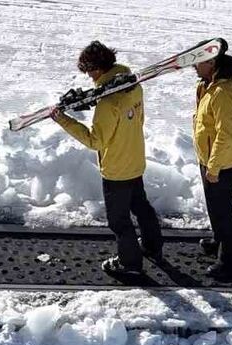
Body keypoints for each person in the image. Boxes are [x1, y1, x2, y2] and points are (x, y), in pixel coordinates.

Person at [52, 41, 163, 277]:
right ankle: (152, 247)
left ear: (97, 69)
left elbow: (96, 141)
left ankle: (130, 264)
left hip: (116, 169)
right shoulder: (132, 85)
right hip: (135, 157)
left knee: (118, 220)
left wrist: (65, 120)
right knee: (141, 206)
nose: (89, 77)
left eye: (89, 72)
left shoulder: (108, 102)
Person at [192, 44, 232, 281]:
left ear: (211, 63)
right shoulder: (211, 86)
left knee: (224, 213)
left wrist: (213, 167)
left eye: (198, 61)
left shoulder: (223, 92)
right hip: (211, 160)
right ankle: (218, 240)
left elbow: (226, 134)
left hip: (221, 165)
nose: (193, 65)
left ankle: (229, 261)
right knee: (215, 208)